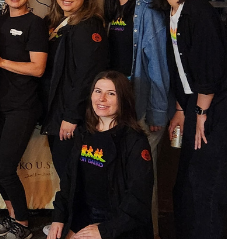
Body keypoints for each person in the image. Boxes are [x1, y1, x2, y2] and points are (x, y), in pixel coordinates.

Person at [149, 0, 227, 239]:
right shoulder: (171, 11)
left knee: (208, 186)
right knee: (188, 183)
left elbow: (210, 66)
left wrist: (201, 113)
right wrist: (182, 110)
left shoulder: (198, 10)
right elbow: (180, 68)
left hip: (222, 107)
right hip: (196, 104)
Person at [102, 0, 173, 237]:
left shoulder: (147, 9)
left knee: (144, 180)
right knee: (121, 177)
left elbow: (157, 63)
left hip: (143, 107)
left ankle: (149, 233)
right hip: (118, 105)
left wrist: (158, 111)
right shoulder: (111, 6)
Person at [40, 0, 108, 236]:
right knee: (67, 171)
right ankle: (69, 224)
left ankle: (74, 227)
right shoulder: (64, 24)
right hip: (57, 114)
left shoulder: (89, 27)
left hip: (70, 118)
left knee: (73, 174)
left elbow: (88, 77)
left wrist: (72, 116)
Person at [47, 71, 154, 239]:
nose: (101, 98)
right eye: (97, 91)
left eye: (111, 93)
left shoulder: (134, 141)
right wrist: (58, 218)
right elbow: (68, 182)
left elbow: (138, 200)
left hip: (118, 221)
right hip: (84, 215)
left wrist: (104, 230)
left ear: (124, 99)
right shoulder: (83, 133)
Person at [0, 0, 48, 239]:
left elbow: (38, 68)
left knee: (5, 168)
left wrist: (0, 62)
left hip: (24, 106)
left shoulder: (36, 24)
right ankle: (13, 217)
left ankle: (22, 223)